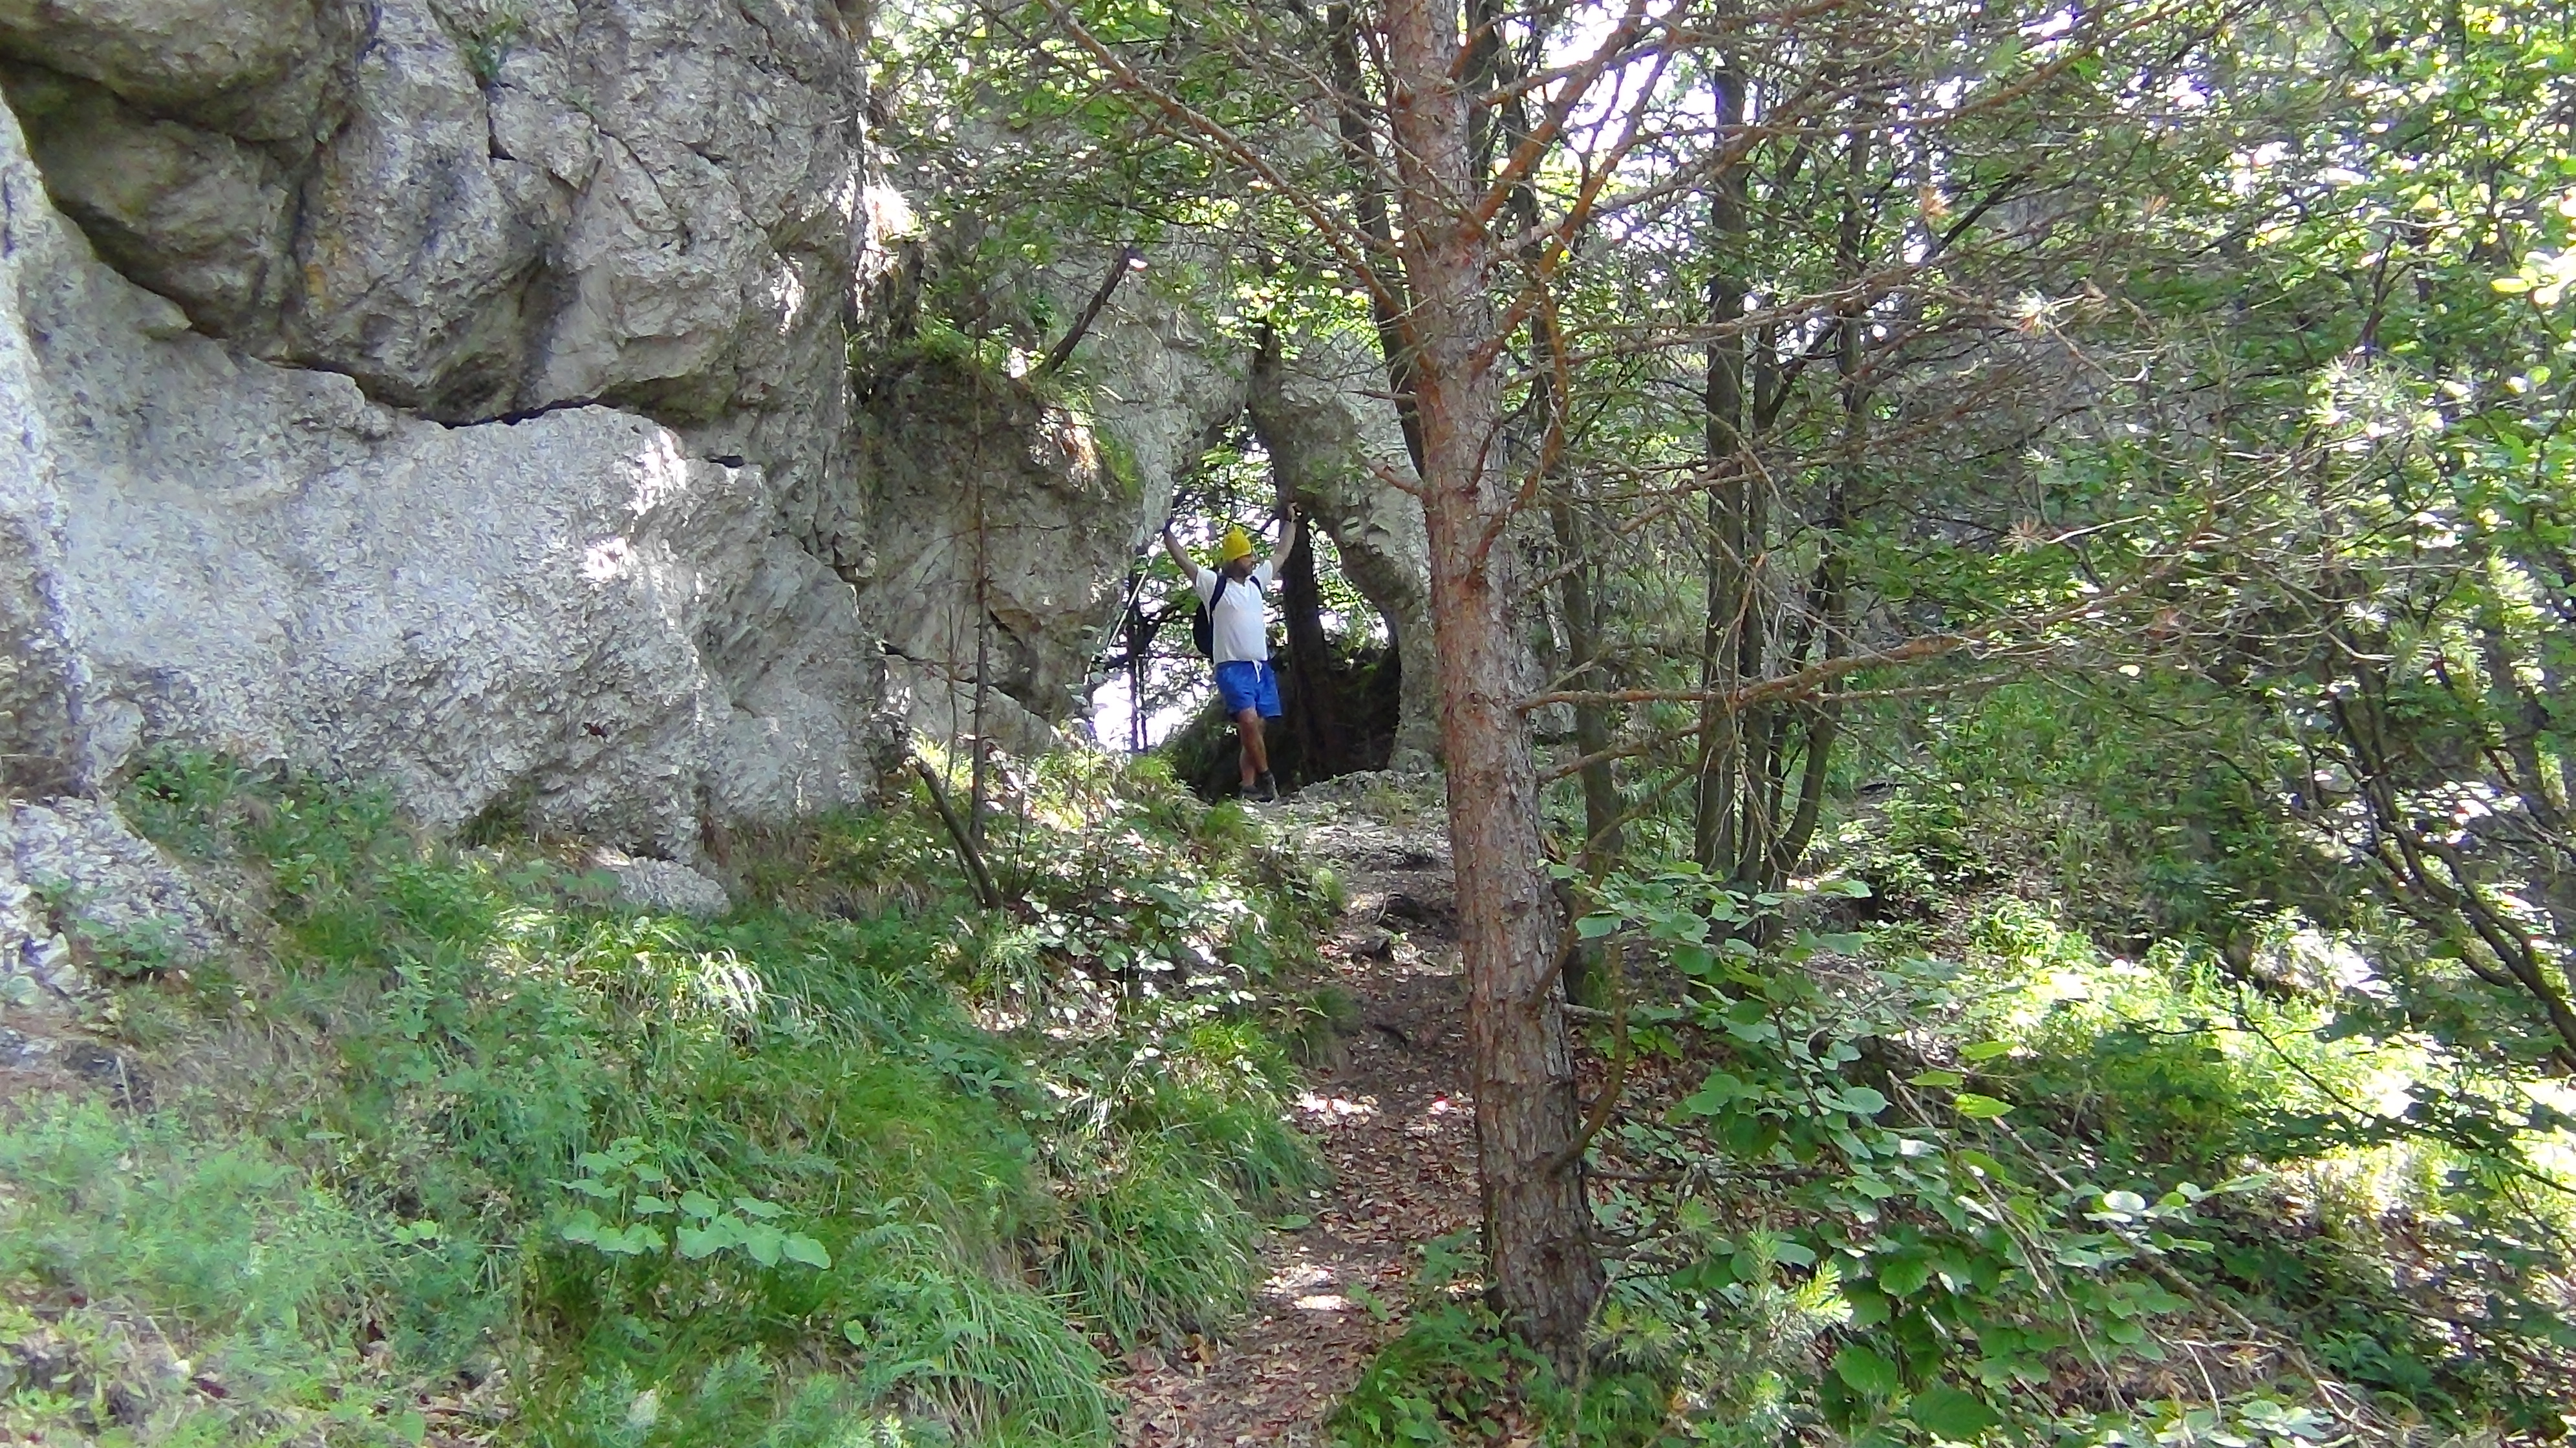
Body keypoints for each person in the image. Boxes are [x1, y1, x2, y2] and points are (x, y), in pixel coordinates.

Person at [1163, 503, 1298, 802]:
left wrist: (1291, 523)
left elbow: (1281, 553)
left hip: (1261, 667)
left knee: (1256, 728)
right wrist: (1166, 531)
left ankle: (1248, 787)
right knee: (1248, 722)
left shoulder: (1257, 582)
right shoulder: (1215, 585)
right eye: (1248, 556)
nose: (1253, 560)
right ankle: (1267, 779)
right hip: (1232, 669)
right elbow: (1185, 562)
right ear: (1236, 560)